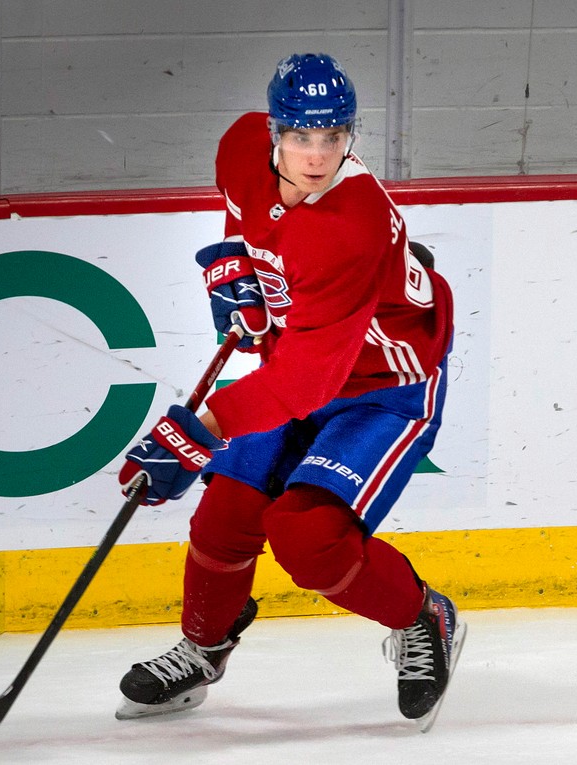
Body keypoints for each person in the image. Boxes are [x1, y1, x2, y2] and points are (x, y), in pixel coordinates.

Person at [113, 53, 464, 730]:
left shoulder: (348, 225)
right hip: (302, 364)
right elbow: (242, 209)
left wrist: (201, 429)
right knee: (225, 514)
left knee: (308, 537)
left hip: (384, 387)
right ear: (275, 130)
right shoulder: (242, 145)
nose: (317, 154)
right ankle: (203, 647)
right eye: (302, 136)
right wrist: (232, 268)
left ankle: (424, 616)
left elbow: (309, 381)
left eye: (333, 136)